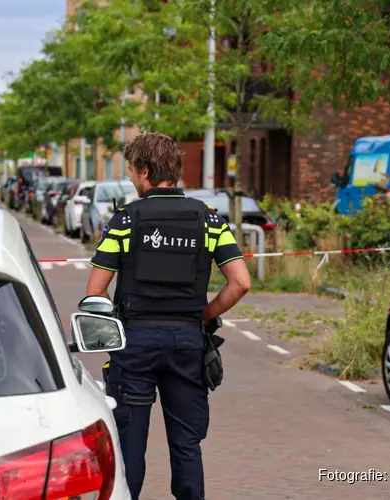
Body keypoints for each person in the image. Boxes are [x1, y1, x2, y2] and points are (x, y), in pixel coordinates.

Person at [85, 132, 251, 500]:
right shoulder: (208, 221)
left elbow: (94, 292)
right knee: (187, 444)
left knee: (130, 446)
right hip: (187, 345)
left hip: (135, 347)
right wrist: (205, 316)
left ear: (145, 171)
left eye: (131, 171)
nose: (130, 178)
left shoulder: (125, 221)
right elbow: (240, 282)